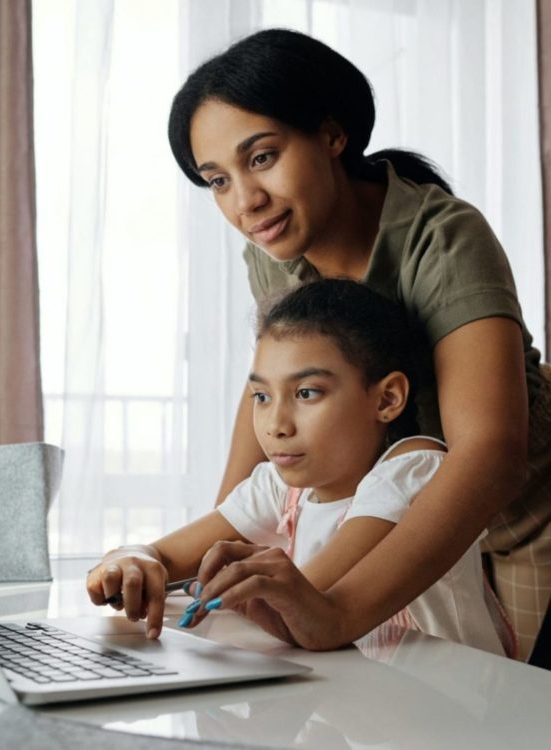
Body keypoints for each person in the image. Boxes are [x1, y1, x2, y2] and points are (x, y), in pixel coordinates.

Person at [166, 28, 551, 660]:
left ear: (332, 134)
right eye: (217, 180)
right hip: (388, 514)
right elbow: (266, 391)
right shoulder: (270, 249)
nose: (245, 202)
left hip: (516, 518)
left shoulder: (443, 237)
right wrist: (219, 554)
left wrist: (337, 611)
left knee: (509, 711)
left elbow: (489, 454)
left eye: (260, 158)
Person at [87, 279, 512, 655]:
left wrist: (215, 586)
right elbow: (164, 553)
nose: (275, 425)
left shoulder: (414, 470)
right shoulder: (282, 487)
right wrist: (130, 561)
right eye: (262, 397)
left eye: (307, 393)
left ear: (386, 399)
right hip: (358, 705)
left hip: (446, 710)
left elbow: (305, 602)